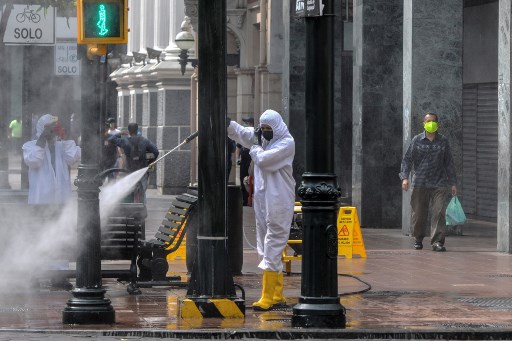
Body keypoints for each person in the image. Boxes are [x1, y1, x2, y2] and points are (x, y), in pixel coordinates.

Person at [228, 109, 295, 311]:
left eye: (268, 129)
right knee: (265, 243)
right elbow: (241, 133)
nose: (265, 132)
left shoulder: (286, 143)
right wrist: (228, 123)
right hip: (263, 199)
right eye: (262, 128)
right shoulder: (262, 140)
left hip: (280, 199)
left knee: (273, 243)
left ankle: (267, 296)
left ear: (277, 128)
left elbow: (264, 161)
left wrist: (255, 146)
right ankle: (277, 293)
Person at [22, 114, 81, 289]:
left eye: (55, 127)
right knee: (38, 236)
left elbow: (75, 155)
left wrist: (63, 137)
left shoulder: (63, 146)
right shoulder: (30, 146)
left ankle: (59, 275)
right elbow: (33, 161)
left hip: (60, 201)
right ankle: (37, 273)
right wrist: (42, 139)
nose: (53, 131)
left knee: (61, 236)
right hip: (40, 202)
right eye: (50, 127)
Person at [399, 112, 457, 252]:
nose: (430, 123)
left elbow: (449, 162)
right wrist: (405, 177)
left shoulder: (443, 141)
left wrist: (453, 183)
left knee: (439, 213)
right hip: (420, 182)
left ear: (437, 124)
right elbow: (407, 159)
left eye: (433, 121)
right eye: (428, 121)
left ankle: (437, 242)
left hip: (439, 183)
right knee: (419, 214)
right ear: (424, 124)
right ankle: (418, 239)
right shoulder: (417, 140)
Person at [108, 122, 159, 203]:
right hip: (142, 170)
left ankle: (132, 208)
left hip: (129, 171)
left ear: (128, 130)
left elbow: (110, 139)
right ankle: (142, 209)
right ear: (137, 129)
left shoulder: (125, 141)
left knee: (129, 191)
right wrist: (150, 162)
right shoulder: (144, 141)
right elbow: (156, 152)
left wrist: (120, 133)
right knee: (142, 192)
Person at [236, 117, 254, 206]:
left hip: (252, 160)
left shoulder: (254, 133)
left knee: (252, 179)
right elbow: (238, 147)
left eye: (246, 122)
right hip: (243, 160)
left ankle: (252, 198)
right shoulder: (243, 135)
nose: (245, 124)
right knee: (242, 178)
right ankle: (245, 199)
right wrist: (238, 158)